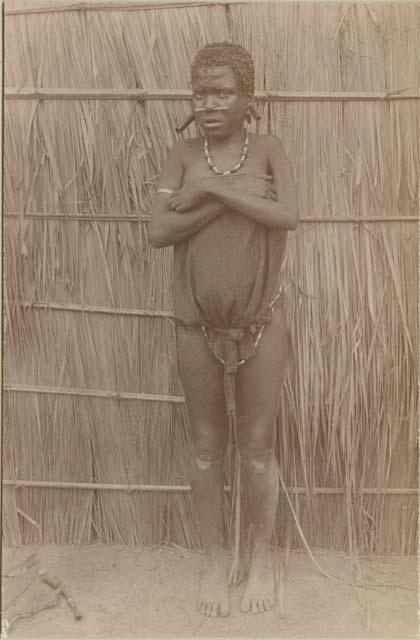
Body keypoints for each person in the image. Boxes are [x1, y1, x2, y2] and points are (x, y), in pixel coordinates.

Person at [149, 42, 299, 618]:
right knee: (208, 450)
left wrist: (208, 192)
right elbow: (159, 231)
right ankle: (215, 561)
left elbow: (287, 215)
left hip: (262, 322)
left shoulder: (268, 149)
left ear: (248, 99)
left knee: (257, 450)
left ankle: (260, 558)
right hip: (196, 326)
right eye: (200, 93)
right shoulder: (182, 153)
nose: (208, 103)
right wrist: (227, 197)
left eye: (222, 93)